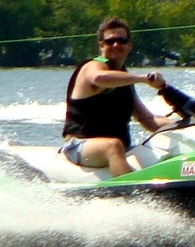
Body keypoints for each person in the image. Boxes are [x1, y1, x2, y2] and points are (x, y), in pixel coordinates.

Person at [62, 17, 173, 177]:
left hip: (120, 148)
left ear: (129, 46)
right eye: (110, 41)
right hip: (79, 145)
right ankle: (132, 196)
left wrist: (184, 123)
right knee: (113, 145)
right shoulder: (93, 67)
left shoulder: (124, 78)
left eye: (121, 40)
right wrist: (144, 78)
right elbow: (99, 78)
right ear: (101, 46)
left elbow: (149, 121)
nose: (116, 45)